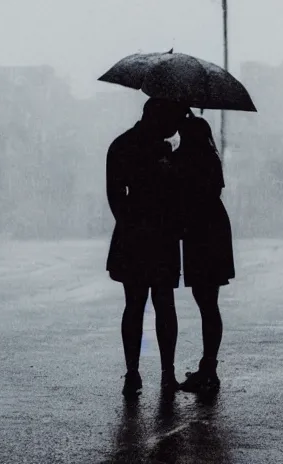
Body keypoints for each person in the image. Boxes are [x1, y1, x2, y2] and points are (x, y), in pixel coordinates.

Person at [106, 97, 188, 396]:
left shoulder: (120, 145)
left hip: (132, 236)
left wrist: (129, 224)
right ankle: (167, 372)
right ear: (158, 118)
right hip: (161, 235)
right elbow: (176, 194)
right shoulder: (165, 151)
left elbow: (114, 195)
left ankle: (132, 371)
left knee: (134, 305)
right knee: (164, 304)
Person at [175, 114, 234, 393]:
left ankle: (208, 369)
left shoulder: (184, 160)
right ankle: (208, 365)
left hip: (199, 233)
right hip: (214, 230)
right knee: (210, 302)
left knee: (206, 302)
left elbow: (183, 195)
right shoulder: (210, 158)